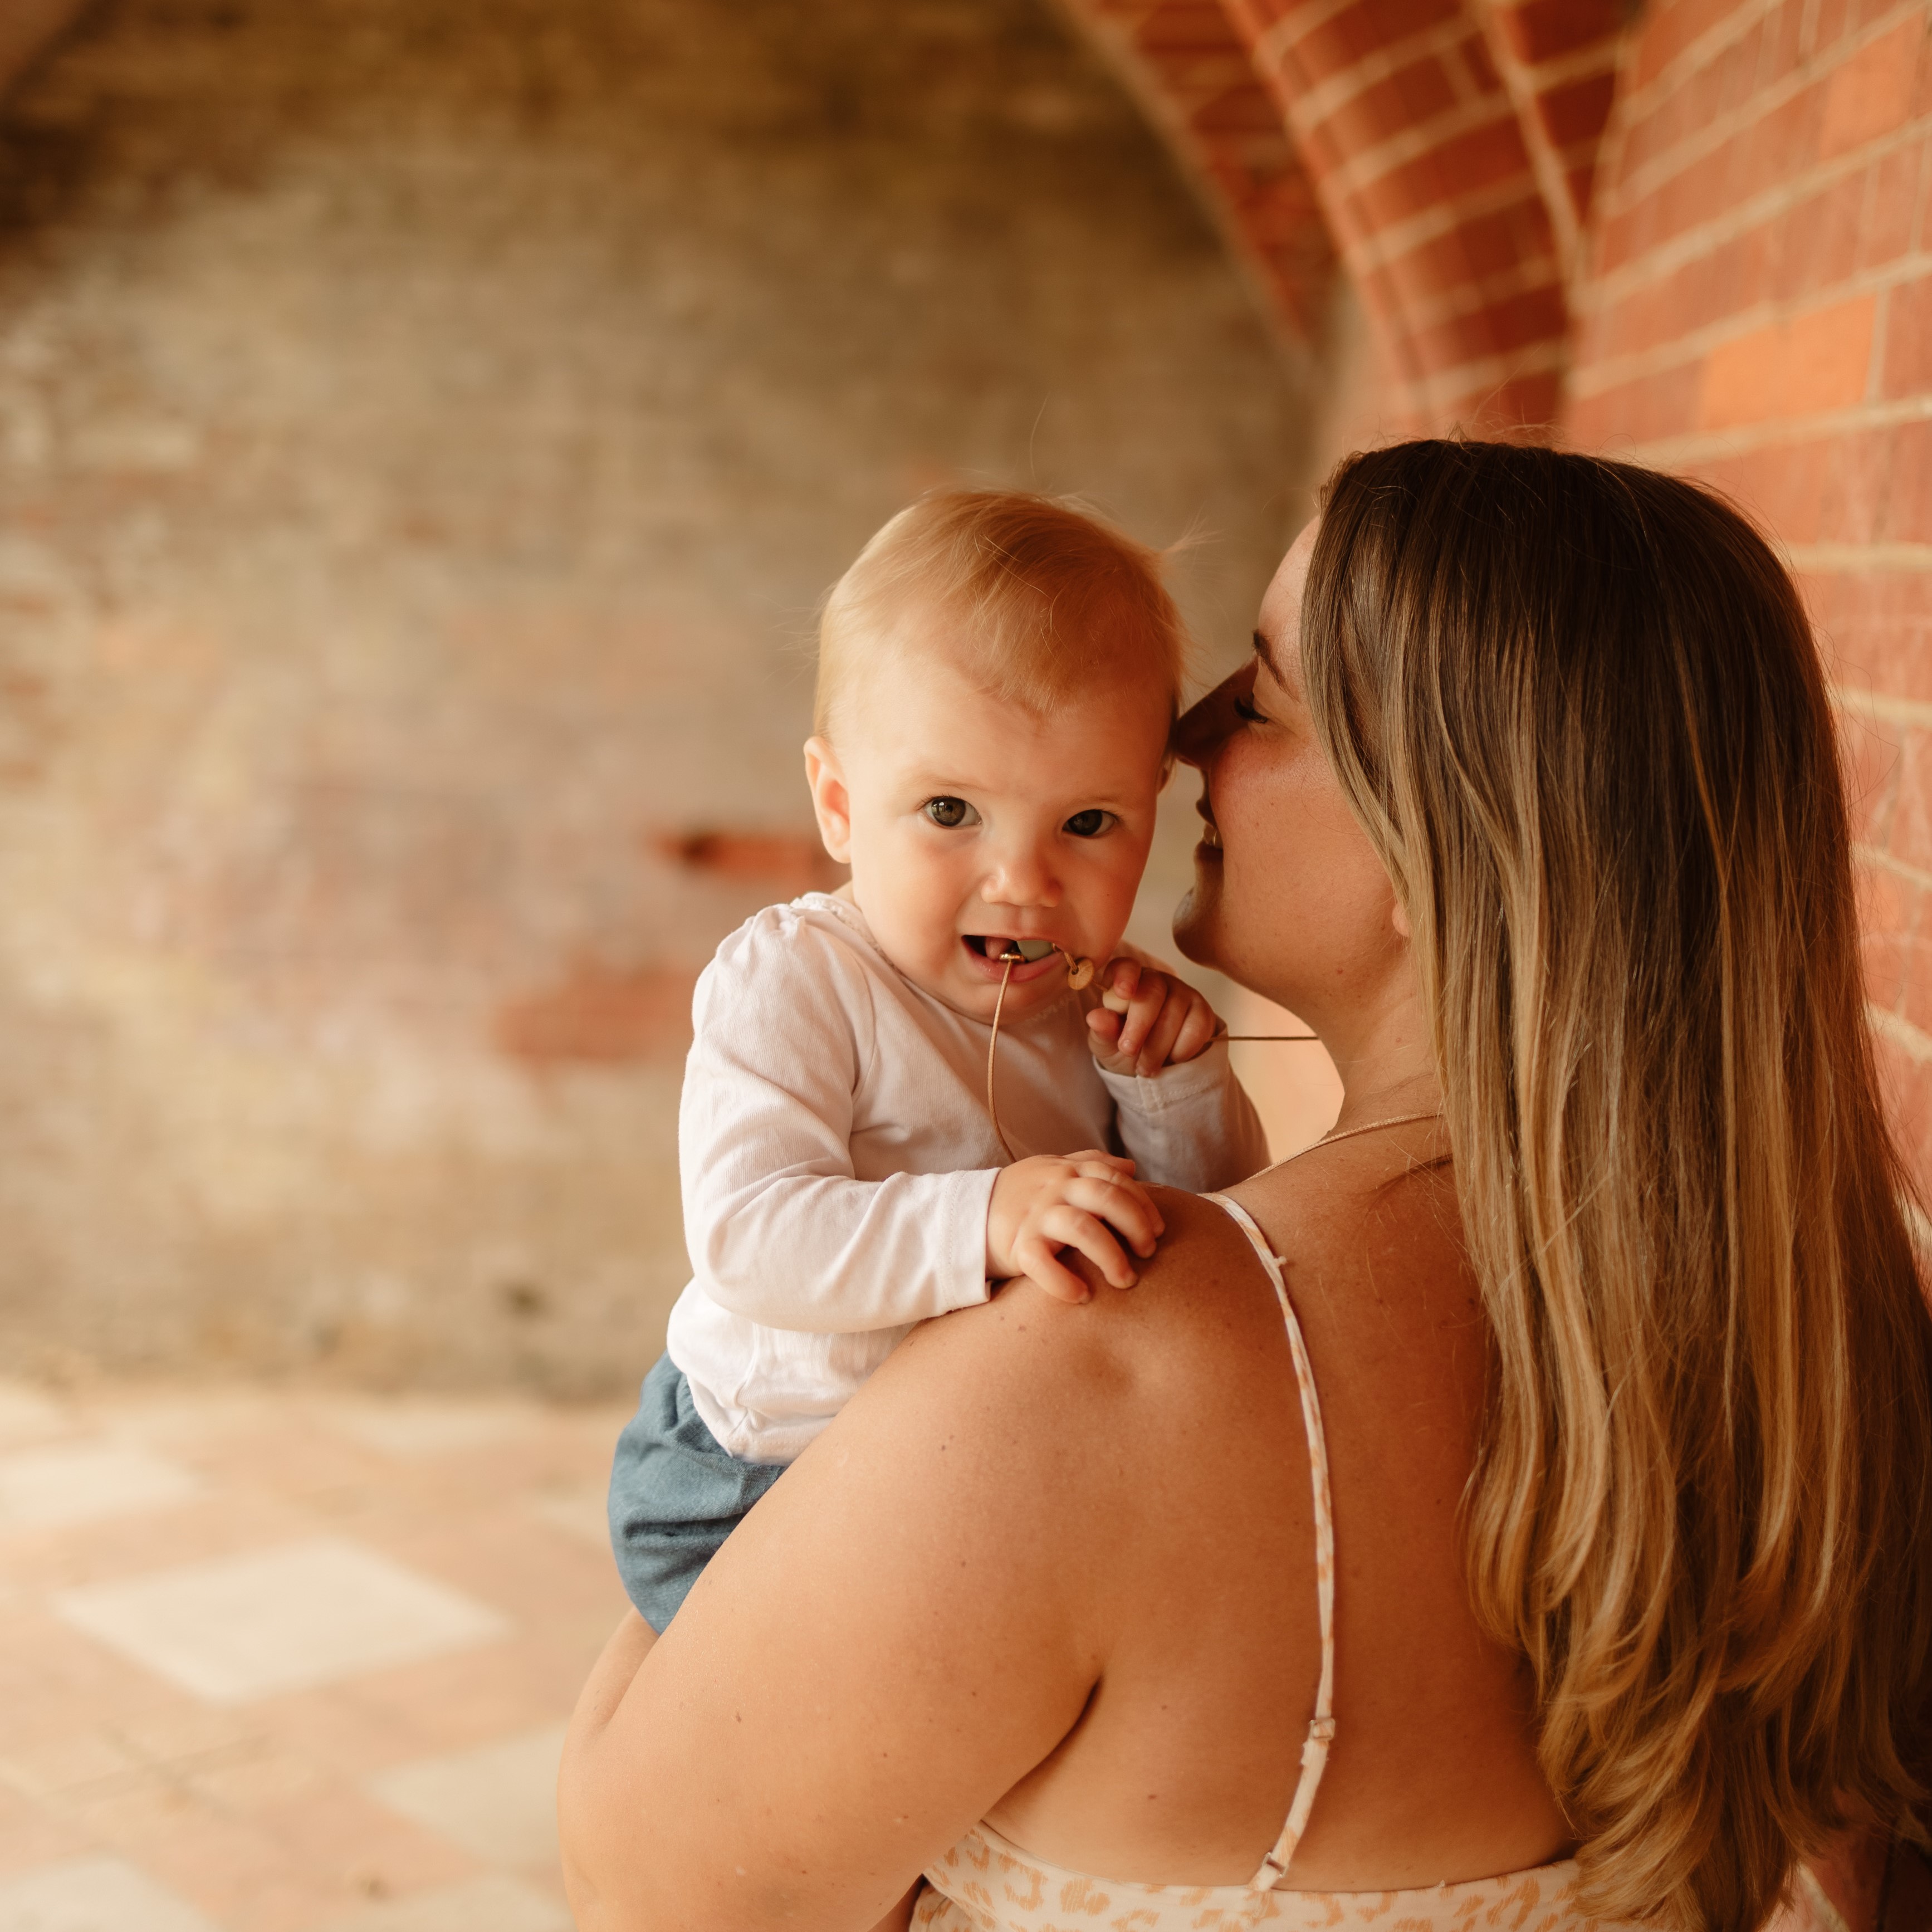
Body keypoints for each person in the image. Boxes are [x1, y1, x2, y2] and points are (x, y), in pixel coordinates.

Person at [560, 442, 1932, 1932]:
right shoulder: (1840, 1347)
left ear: (1431, 846)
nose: (1186, 735)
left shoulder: (1101, 1361)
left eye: (1264, 691)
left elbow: (648, 1884)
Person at [606, 488, 1266, 1635]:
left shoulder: (1084, 998)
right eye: (951, 808)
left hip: (966, 1465)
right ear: (840, 806)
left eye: (1089, 823)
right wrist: (988, 1217)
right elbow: (749, 1237)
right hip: (762, 1475)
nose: (1024, 880)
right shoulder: (801, 978)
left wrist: (1174, 1086)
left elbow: (1199, 1224)